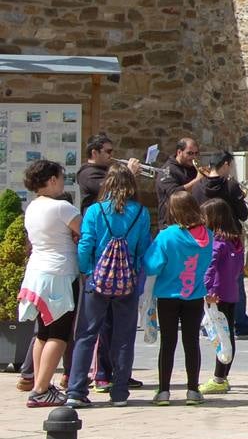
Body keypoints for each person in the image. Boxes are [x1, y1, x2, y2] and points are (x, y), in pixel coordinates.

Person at [66, 163, 150, 408]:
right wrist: (135, 273)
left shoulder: (95, 211)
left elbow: (85, 245)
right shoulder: (141, 212)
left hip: (98, 279)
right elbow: (144, 248)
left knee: (86, 334)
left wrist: (87, 271)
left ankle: (76, 390)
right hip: (127, 280)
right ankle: (120, 391)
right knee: (123, 337)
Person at [17, 160, 82, 408]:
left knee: (43, 333)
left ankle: (38, 384)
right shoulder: (62, 207)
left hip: (36, 273)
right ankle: (41, 389)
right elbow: (85, 231)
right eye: (61, 178)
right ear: (52, 180)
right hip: (59, 274)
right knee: (60, 333)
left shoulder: (32, 206)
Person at [144, 191, 212, 406]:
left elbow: (151, 265)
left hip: (168, 295)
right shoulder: (207, 235)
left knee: (168, 343)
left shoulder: (167, 235)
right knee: (191, 342)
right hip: (194, 295)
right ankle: (193, 389)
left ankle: (163, 391)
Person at [200, 199, 245, 394]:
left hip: (216, 294)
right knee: (227, 335)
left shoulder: (217, 242)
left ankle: (219, 378)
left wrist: (206, 290)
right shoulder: (235, 241)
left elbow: (209, 268)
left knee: (220, 334)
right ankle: (223, 375)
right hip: (231, 292)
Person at [75, 133, 141, 212]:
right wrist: (129, 174)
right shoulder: (87, 173)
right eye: (108, 151)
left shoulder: (105, 169)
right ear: (94, 153)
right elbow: (111, 189)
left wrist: (131, 176)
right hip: (98, 220)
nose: (112, 155)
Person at [155, 137, 205, 225]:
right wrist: (198, 180)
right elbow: (175, 194)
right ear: (179, 152)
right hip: (171, 224)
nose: (194, 157)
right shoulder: (167, 171)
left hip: (190, 222)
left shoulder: (193, 168)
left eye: (196, 153)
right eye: (190, 153)